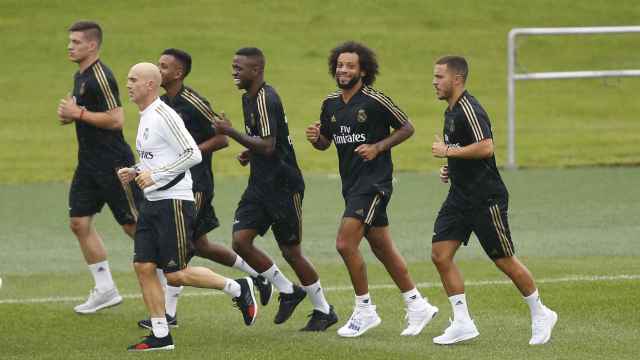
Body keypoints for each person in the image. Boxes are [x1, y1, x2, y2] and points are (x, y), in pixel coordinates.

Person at [119, 63, 257, 351]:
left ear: (150, 85)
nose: (128, 84)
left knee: (176, 273)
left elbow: (192, 154)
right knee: (143, 266)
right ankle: (160, 335)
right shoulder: (145, 116)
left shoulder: (163, 115)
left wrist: (155, 176)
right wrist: (135, 170)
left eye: (134, 80)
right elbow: (158, 157)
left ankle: (238, 287)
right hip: (152, 202)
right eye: (128, 79)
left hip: (174, 203)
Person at [305, 41, 439, 338]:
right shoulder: (330, 104)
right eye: (340, 65)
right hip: (351, 185)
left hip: (374, 184)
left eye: (350, 66)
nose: (343, 70)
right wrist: (316, 138)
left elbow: (407, 127)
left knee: (344, 244)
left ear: (363, 70)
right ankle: (417, 305)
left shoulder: (375, 100)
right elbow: (327, 142)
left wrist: (378, 147)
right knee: (382, 247)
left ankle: (365, 310)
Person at [430, 55, 557, 345]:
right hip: (459, 197)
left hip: (486, 198)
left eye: (439, 77)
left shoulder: (469, 109)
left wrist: (449, 152)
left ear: (457, 79)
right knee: (440, 254)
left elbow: (486, 147)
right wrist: (452, 166)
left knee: (504, 260)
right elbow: (466, 148)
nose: (434, 82)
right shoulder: (450, 112)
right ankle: (462, 322)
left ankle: (541, 313)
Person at [213, 47, 337, 332]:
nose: (234, 72)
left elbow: (268, 145)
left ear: (256, 70)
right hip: (260, 184)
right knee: (240, 241)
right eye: (232, 66)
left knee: (291, 251)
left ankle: (324, 310)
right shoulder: (248, 97)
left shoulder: (267, 98)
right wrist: (249, 152)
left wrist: (231, 133)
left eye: (239, 68)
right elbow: (264, 141)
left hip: (283, 185)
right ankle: (288, 290)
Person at [57, 20, 143, 314]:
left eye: (76, 42)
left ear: (92, 45)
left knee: (133, 225)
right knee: (79, 222)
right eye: (70, 41)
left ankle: (169, 276)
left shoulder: (100, 76)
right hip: (89, 163)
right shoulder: (79, 76)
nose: (70, 46)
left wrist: (78, 112)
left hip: (113, 163)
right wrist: (73, 116)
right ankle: (105, 289)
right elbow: (91, 114)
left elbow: (117, 119)